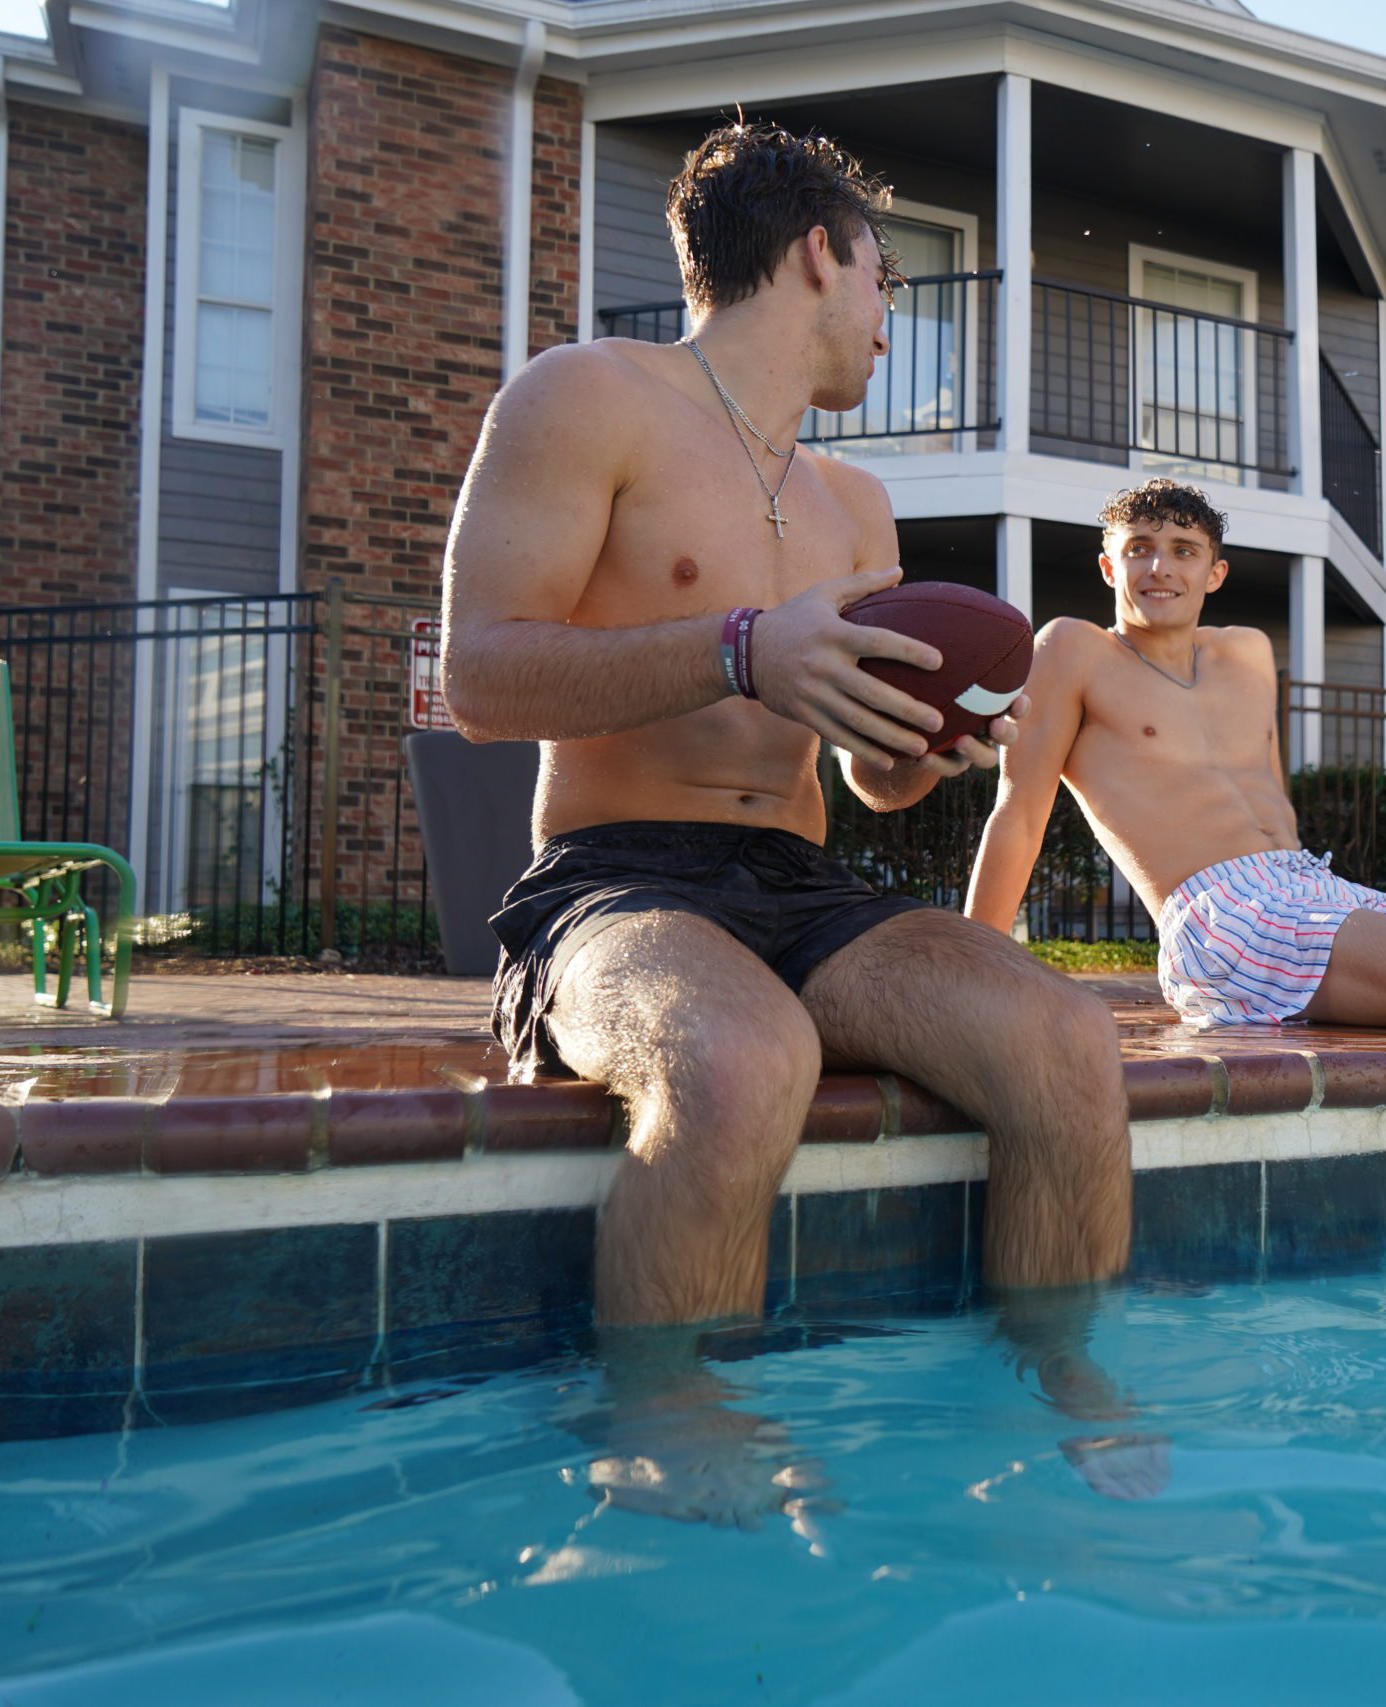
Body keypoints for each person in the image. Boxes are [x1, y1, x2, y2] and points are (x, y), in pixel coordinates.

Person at [439, 121, 1135, 1335]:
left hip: (804, 888)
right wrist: (739, 649)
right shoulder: (587, 395)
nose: (887, 316)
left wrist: (921, 749)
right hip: (614, 885)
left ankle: (1050, 1411)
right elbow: (481, 682)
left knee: (1071, 1040)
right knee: (741, 1058)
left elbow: (872, 783)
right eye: (887, 279)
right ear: (823, 252)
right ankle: (669, 1449)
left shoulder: (856, 505)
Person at [965, 479, 1386, 1179]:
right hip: (1221, 915)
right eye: (1138, 549)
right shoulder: (1074, 650)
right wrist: (972, 978)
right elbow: (1017, 815)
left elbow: (1271, 804)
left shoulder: (1249, 654)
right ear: (1110, 567)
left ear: (1214, 572)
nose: (1159, 567)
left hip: (1308, 886)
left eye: (1183, 550)